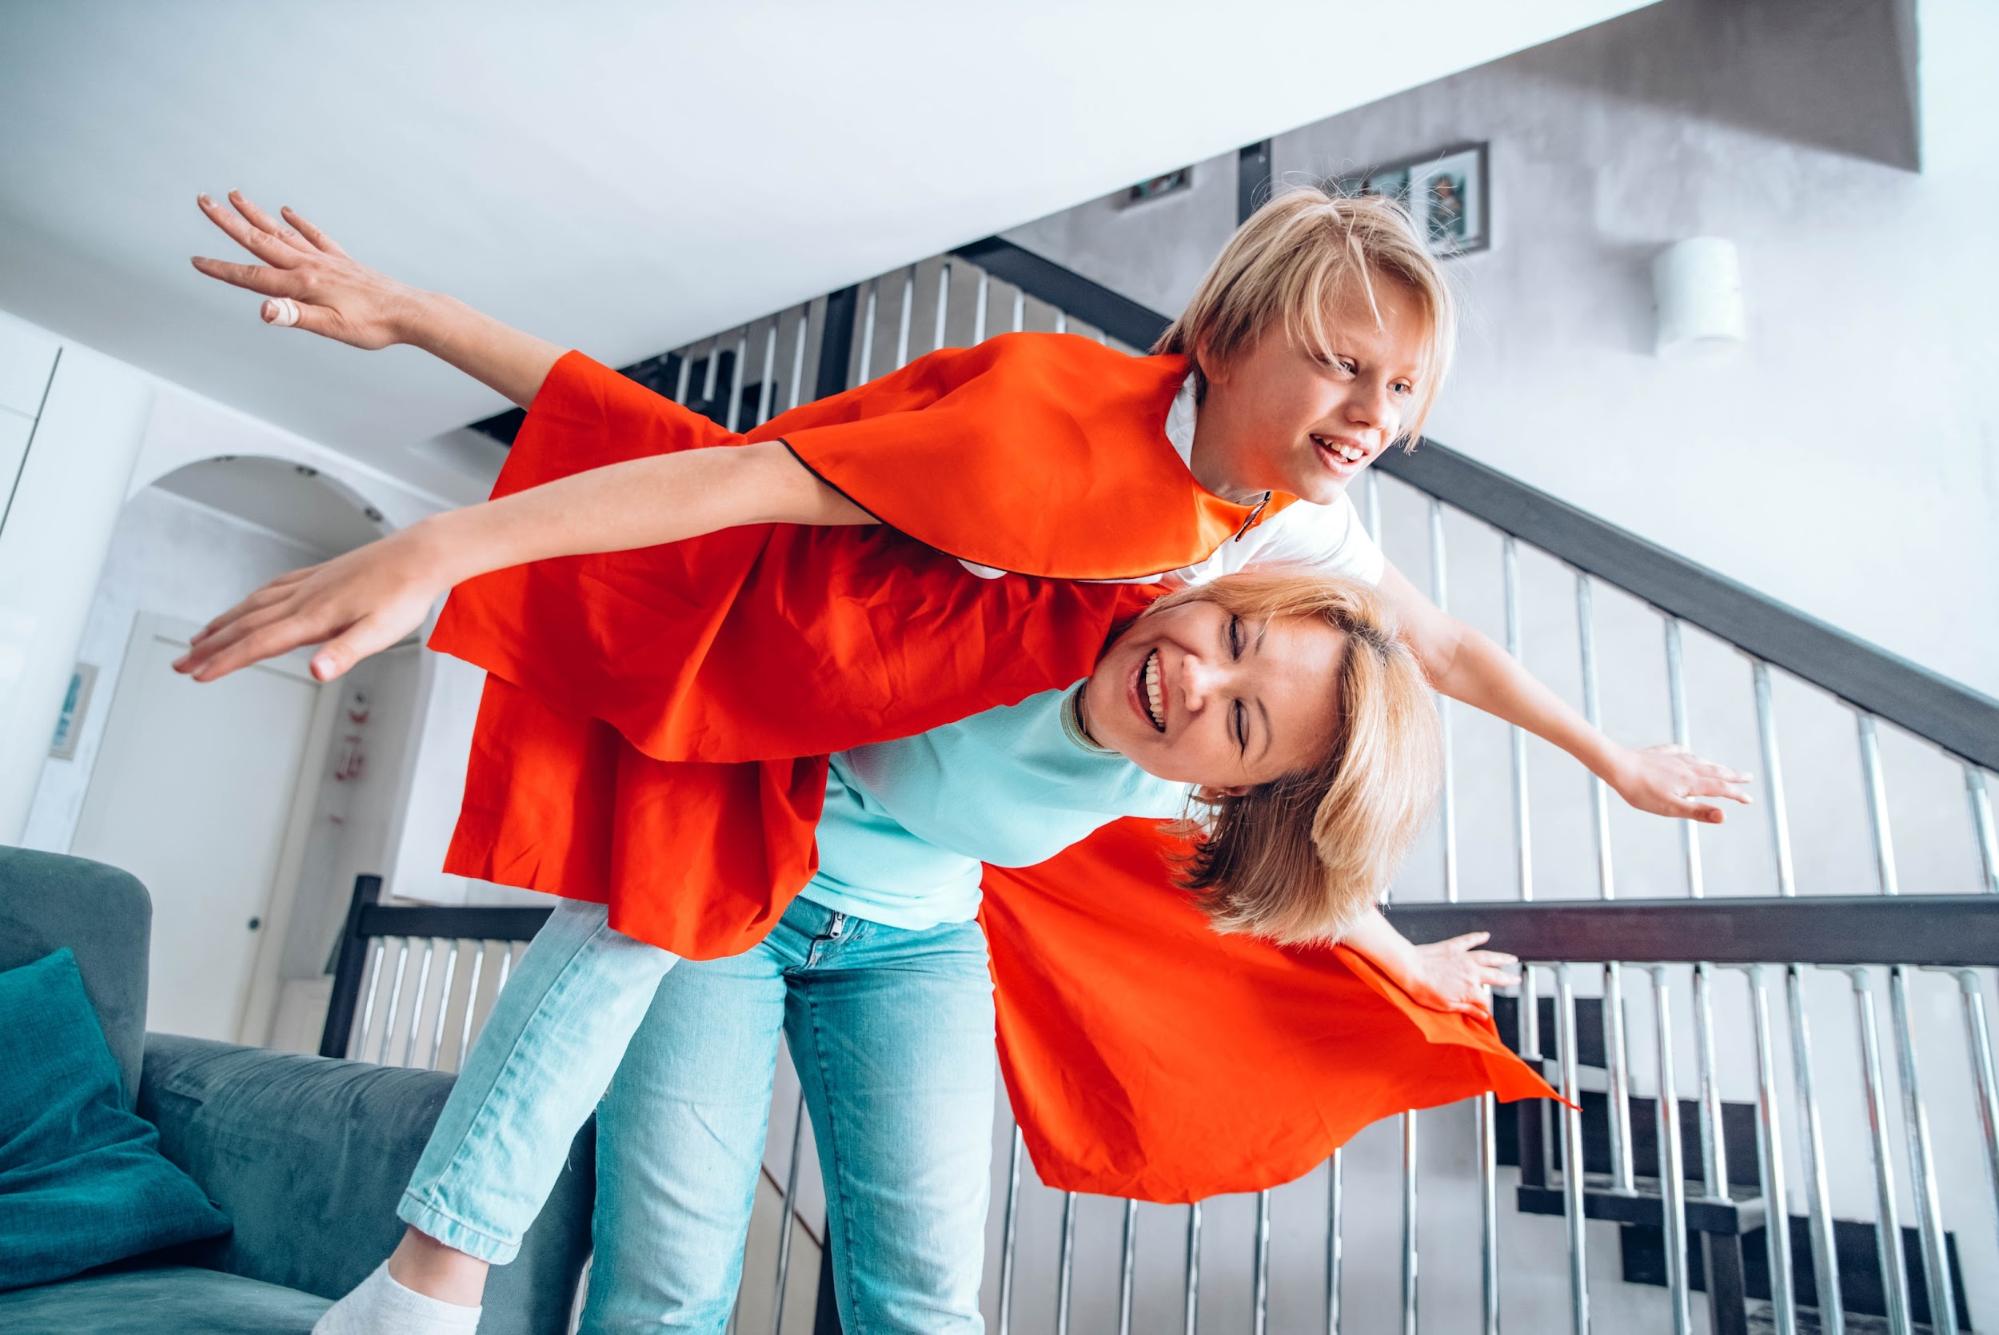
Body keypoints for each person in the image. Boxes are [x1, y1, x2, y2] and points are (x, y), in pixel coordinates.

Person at [176, 185, 1743, 1329]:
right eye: (1342, 364)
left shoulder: (1282, 557)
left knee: (925, 1290)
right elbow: (712, 478)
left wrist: (1601, 766)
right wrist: (439, 535)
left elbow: (1394, 710)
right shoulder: (1046, 464)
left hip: (916, 935)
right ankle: (420, 1291)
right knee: (671, 1271)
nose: (1371, 412)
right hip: (754, 858)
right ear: (1220, 336)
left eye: (1402, 391)